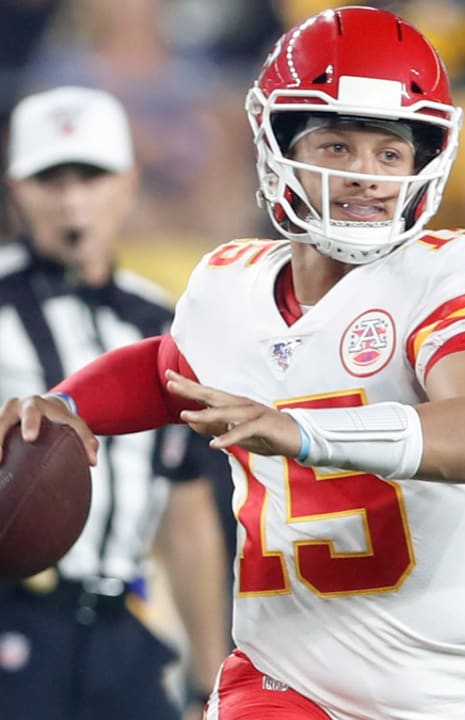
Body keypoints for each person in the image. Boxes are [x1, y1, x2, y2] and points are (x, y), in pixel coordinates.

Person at [0, 8, 465, 720]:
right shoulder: (231, 286)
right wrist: (69, 407)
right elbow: (168, 370)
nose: (365, 177)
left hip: (461, 696)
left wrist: (302, 432)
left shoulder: (452, 276)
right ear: (278, 146)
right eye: (336, 147)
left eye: (389, 154)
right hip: (285, 682)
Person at [0, 86, 229, 720]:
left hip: (122, 628)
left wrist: (208, 680)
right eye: (51, 179)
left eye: (90, 176)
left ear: (128, 184)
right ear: (17, 188)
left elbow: (185, 513)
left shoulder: (165, 322)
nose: (72, 199)